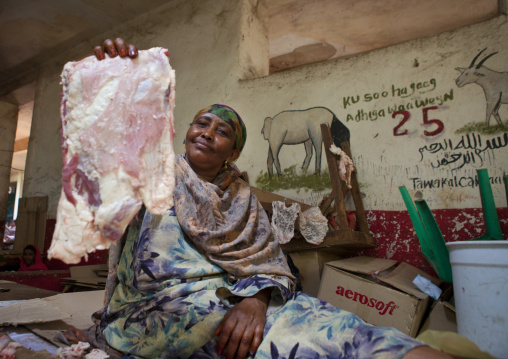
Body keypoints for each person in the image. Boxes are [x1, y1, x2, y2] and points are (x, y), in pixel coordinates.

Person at [63, 39, 460, 359]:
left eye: (222, 131)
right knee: (291, 345)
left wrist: (255, 299)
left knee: (340, 326)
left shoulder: (241, 197)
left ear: (232, 152)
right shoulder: (149, 171)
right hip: (161, 312)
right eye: (201, 123)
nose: (207, 132)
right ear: (186, 132)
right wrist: (118, 82)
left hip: (236, 296)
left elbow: (268, 263)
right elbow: (107, 145)